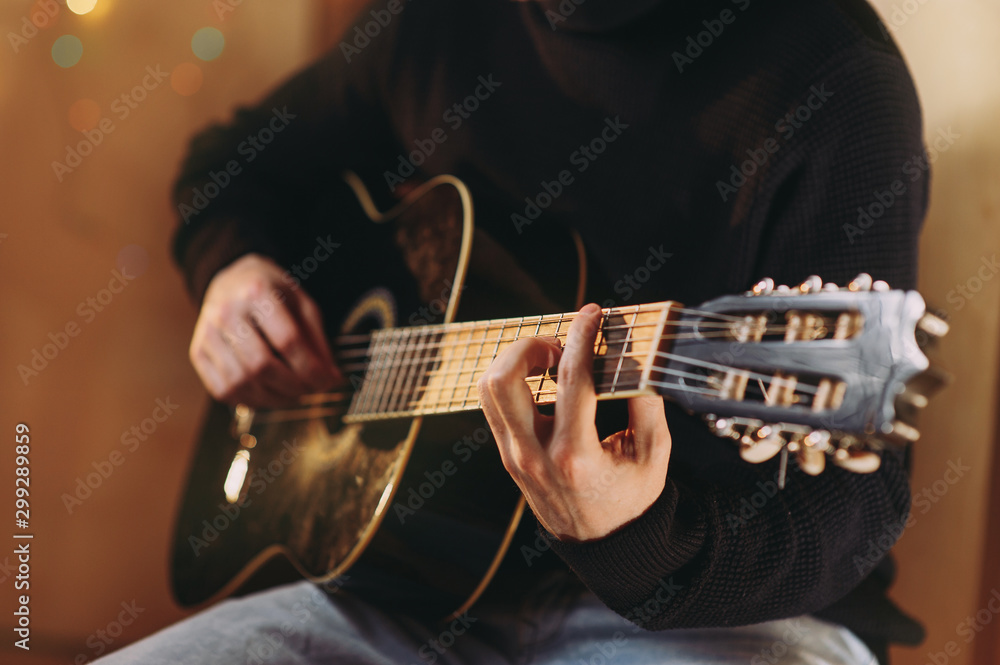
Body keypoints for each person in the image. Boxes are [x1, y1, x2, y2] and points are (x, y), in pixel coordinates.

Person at [98, 0, 931, 662]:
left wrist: (641, 542)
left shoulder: (832, 77)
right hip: (406, 588)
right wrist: (232, 268)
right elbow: (234, 162)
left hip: (715, 616)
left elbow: (855, 506)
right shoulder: (441, 19)